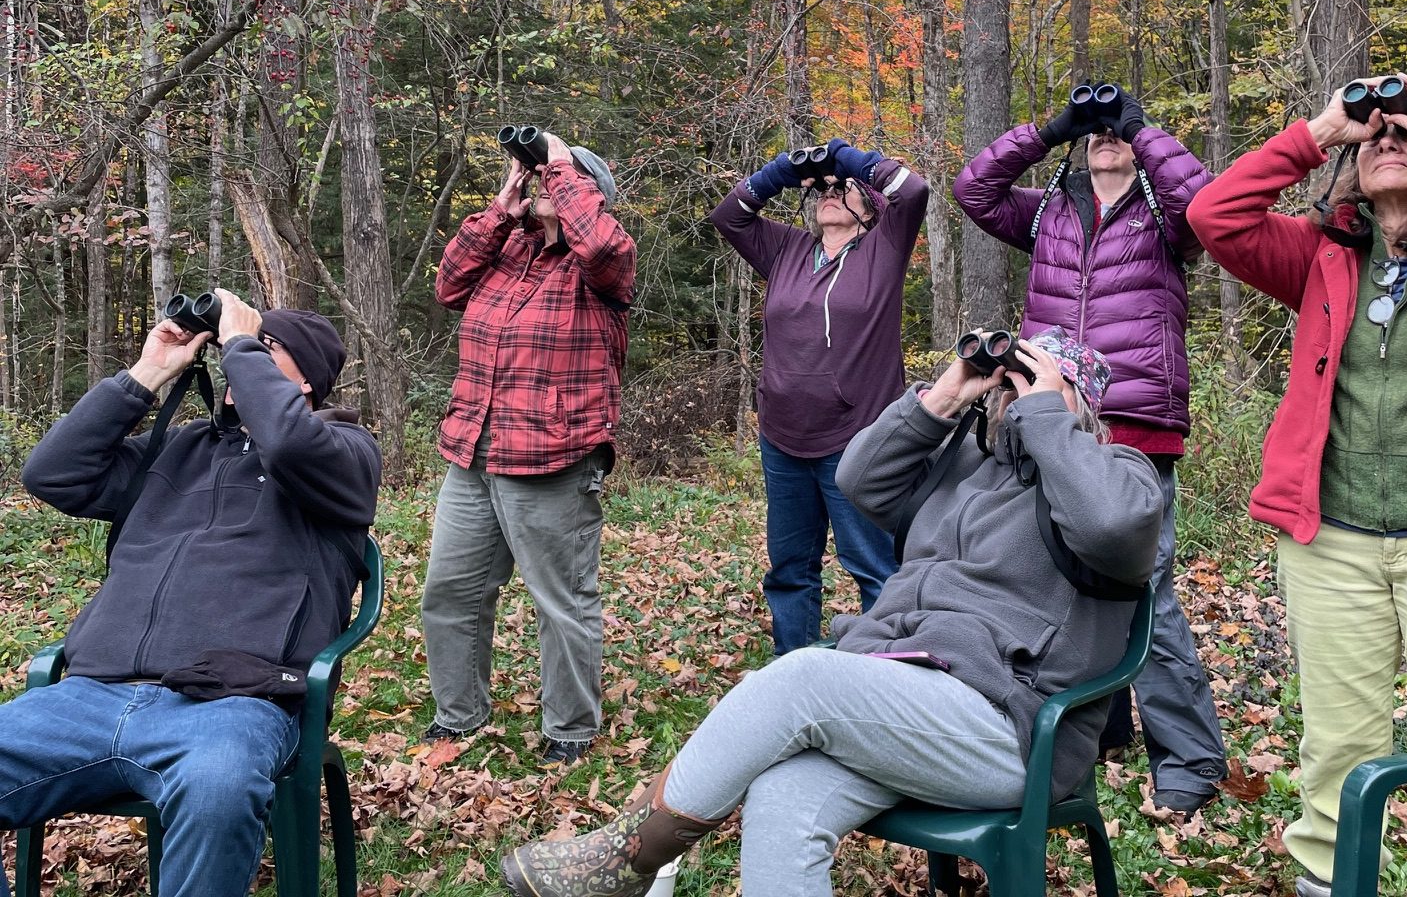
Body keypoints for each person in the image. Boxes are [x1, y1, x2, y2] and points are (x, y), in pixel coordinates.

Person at [495, 329, 1161, 897]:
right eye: (1012, 384)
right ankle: (631, 859)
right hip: (909, 697)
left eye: (1037, 385)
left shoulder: (1119, 474)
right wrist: (944, 397)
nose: (1016, 397)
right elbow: (859, 480)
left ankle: (627, 860)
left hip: (1009, 726)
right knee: (784, 793)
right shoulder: (967, 464)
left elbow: (1112, 529)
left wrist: (1048, 415)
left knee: (802, 678)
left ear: (1079, 405)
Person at [1188, 74, 1407, 897]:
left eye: (1404, 135)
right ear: (1349, 168)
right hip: (1330, 542)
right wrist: (1320, 130)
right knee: (1337, 749)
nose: (1388, 141)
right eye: (1374, 138)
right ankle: (1332, 884)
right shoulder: (1319, 254)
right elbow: (1214, 216)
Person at [0, 293, 379, 897]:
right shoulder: (176, 449)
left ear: (306, 379)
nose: (235, 358)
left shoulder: (346, 454)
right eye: (234, 345)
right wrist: (148, 371)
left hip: (232, 703)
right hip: (89, 696)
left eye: (264, 347)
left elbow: (290, 445)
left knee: (218, 787)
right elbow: (51, 474)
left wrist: (241, 344)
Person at [952, 85, 1228, 812]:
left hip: (1136, 423)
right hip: (1051, 419)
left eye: (1116, 128)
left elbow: (1208, 205)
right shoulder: (1049, 208)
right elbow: (973, 190)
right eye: (1095, 129)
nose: (1106, 136)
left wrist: (1142, 126)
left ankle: (1190, 760)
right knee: (1054, 577)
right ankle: (1100, 729)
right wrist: (1049, 131)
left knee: (1145, 591)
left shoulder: (1165, 214)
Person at [422, 130, 635, 764]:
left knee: (560, 601)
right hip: (473, 449)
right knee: (451, 593)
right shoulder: (508, 249)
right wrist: (501, 207)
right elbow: (448, 286)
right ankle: (459, 715)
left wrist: (562, 163)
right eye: (540, 175)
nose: (543, 182)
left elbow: (600, 241)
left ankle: (569, 728)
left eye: (555, 178)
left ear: (586, 193)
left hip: (553, 456)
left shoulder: (603, 266)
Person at [709, 138, 928, 655]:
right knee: (790, 569)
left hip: (857, 440)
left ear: (871, 207)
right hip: (782, 435)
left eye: (844, 189)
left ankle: (881, 672)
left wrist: (846, 159)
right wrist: (782, 171)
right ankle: (796, 668)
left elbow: (914, 191)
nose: (830, 193)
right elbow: (729, 216)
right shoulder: (786, 249)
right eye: (824, 189)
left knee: (873, 567)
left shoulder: (883, 248)